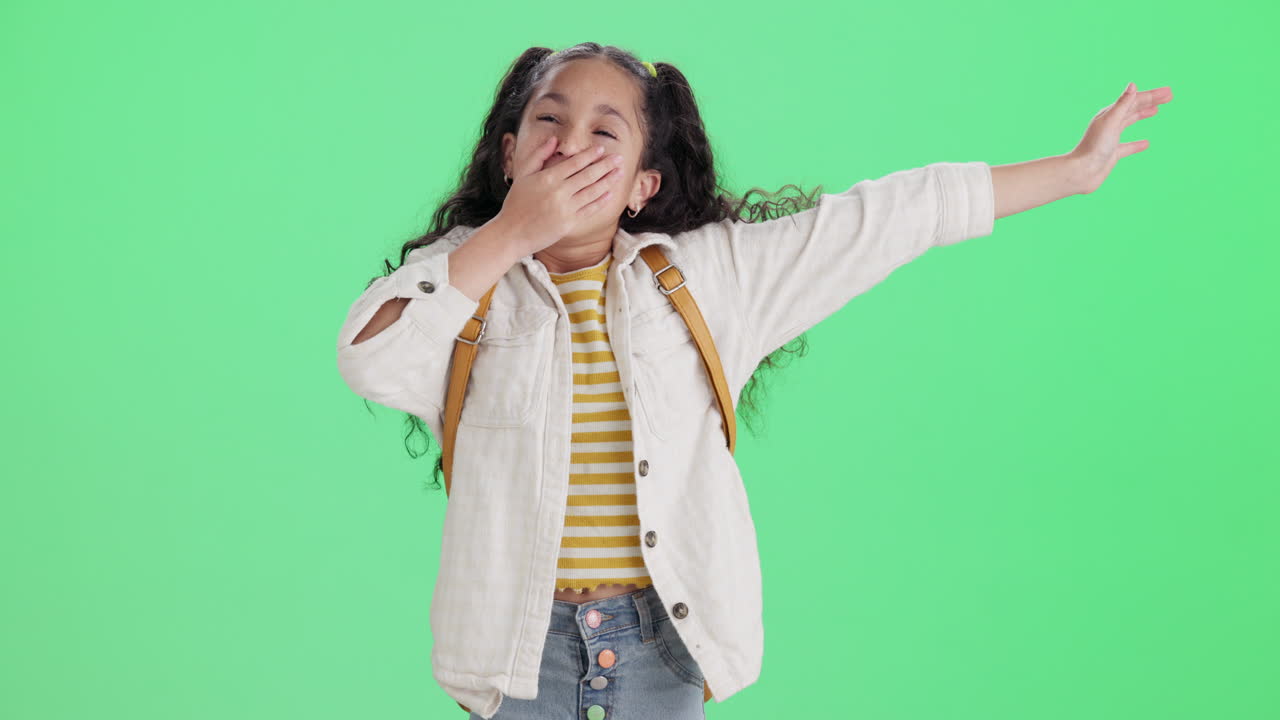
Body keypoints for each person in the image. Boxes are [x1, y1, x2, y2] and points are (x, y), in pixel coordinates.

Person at [335, 42, 1172, 720]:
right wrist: (512, 232)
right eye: (548, 123)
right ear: (511, 152)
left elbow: (891, 217)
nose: (570, 145)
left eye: (605, 133)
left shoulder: (710, 277)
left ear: (641, 187)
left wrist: (1074, 170)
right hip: (514, 649)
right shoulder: (461, 279)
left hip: (663, 638)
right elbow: (369, 358)